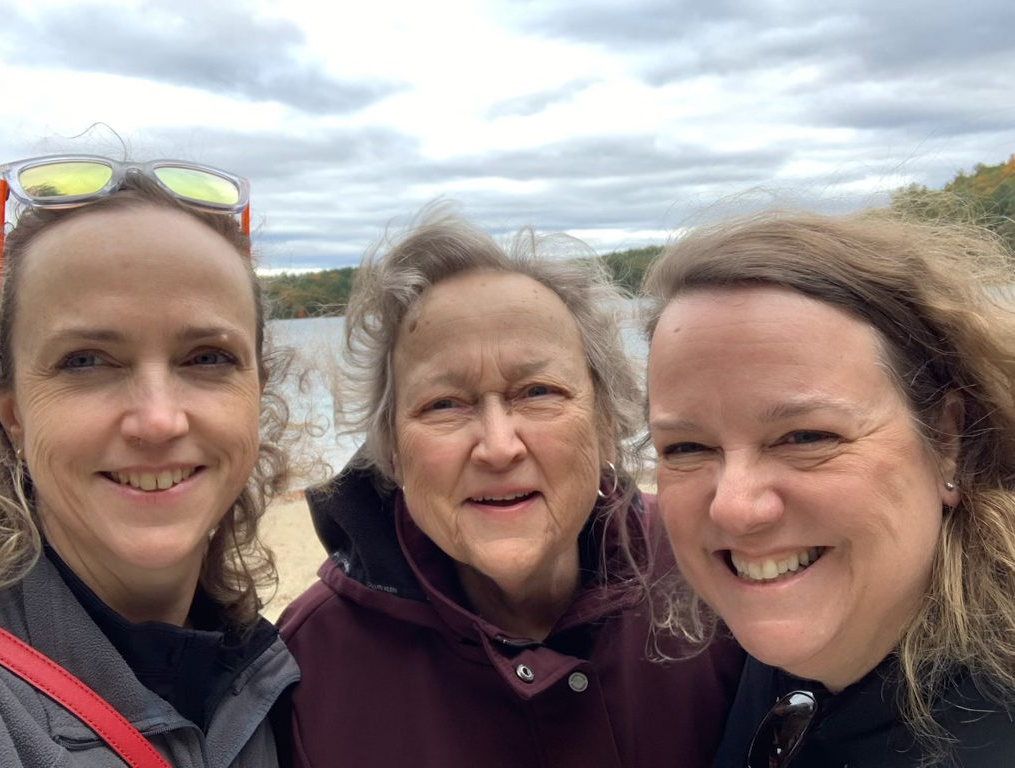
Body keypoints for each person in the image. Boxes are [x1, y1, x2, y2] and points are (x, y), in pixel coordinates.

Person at [278, 208, 744, 768]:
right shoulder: (310, 667)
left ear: (604, 421)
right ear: (392, 450)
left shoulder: (713, 566)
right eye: (443, 404)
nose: (499, 447)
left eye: (538, 392)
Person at [644, 208, 1015, 767]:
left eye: (805, 436)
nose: (736, 508)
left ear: (946, 439)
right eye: (686, 448)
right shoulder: (804, 641)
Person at [0, 155, 299, 767]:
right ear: (13, 413)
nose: (159, 420)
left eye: (207, 358)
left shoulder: (277, 680)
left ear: (257, 393)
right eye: (85, 360)